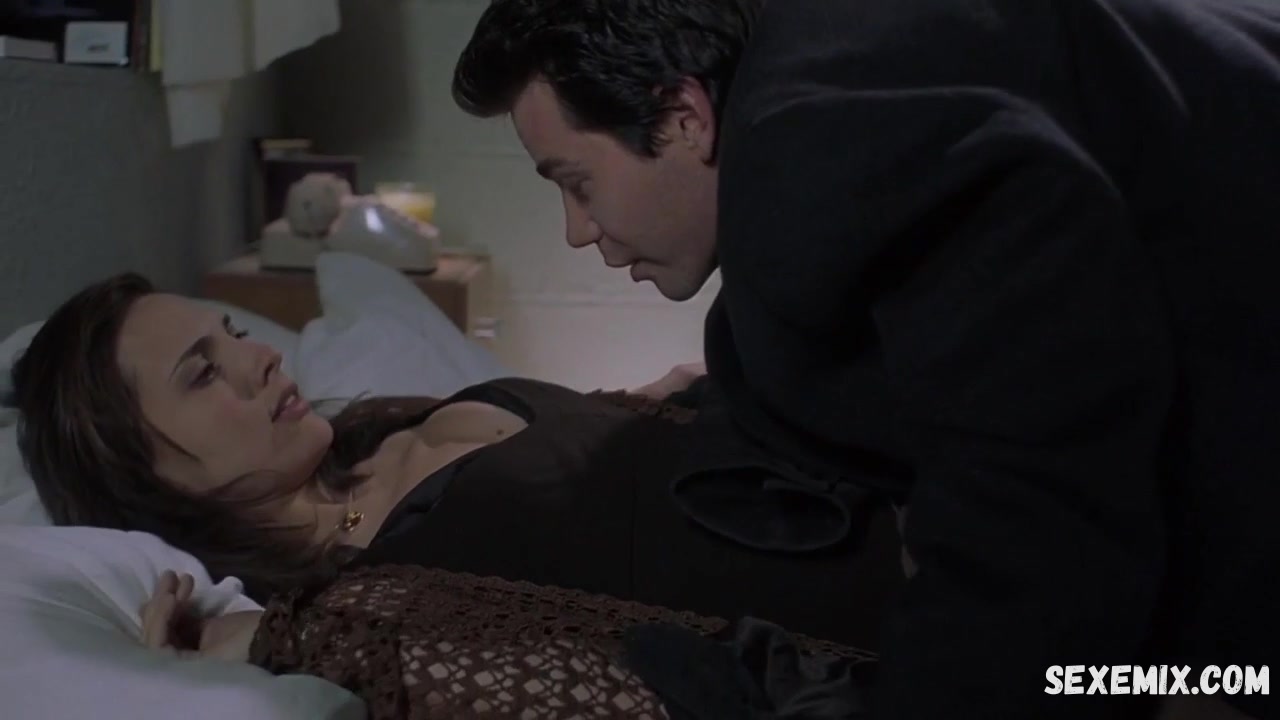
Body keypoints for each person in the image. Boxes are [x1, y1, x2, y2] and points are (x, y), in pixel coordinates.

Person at [450, 0, 1280, 718]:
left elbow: (1038, 529)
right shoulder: (834, 78)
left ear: (682, 118)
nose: (577, 230)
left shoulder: (819, 140)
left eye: (577, 182)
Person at [9, 273, 905, 650]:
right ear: (145, 479)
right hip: (889, 593)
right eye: (204, 373)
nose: (263, 358)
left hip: (865, 470)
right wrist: (246, 650)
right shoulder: (350, 604)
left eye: (236, 333)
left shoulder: (372, 437)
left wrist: (639, 403)